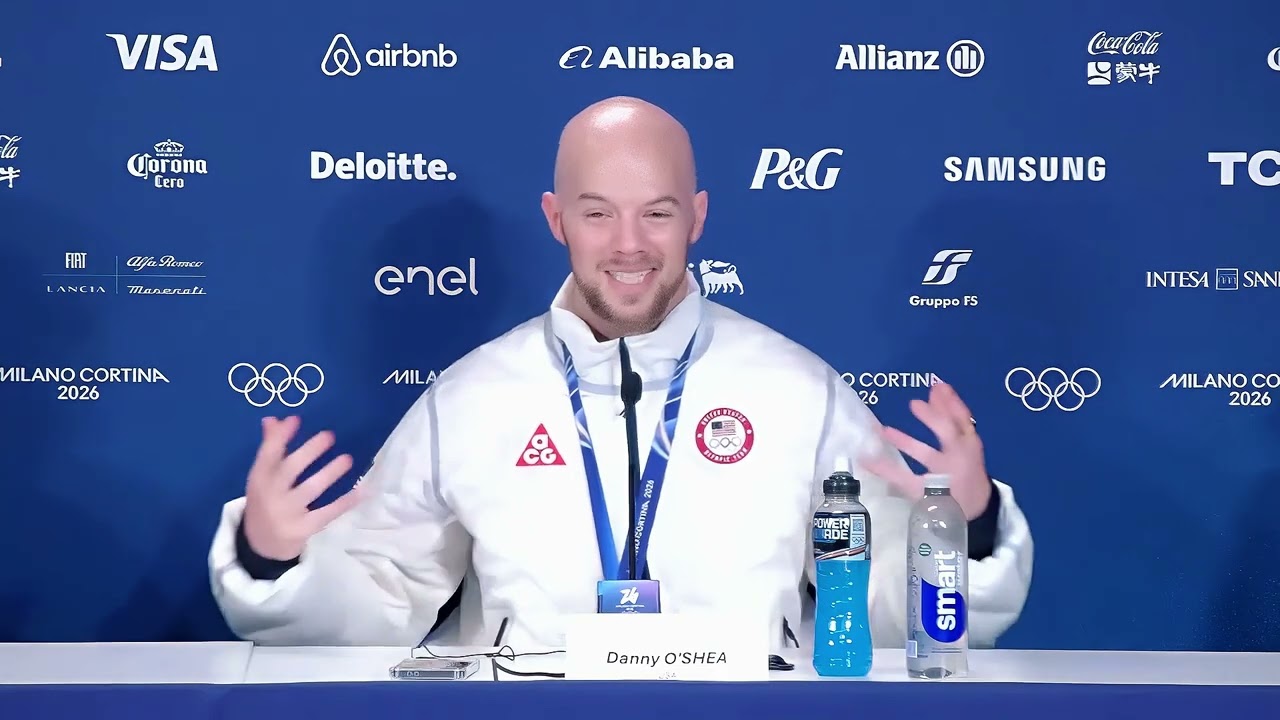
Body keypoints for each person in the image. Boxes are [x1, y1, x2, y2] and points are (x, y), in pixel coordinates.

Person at [208, 96, 1033, 653]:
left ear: (698, 217)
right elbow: (380, 599)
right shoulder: (468, 400)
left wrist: (969, 530)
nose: (629, 245)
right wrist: (274, 562)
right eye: (598, 213)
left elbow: (888, 612)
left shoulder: (799, 393)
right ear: (556, 218)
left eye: (657, 213)